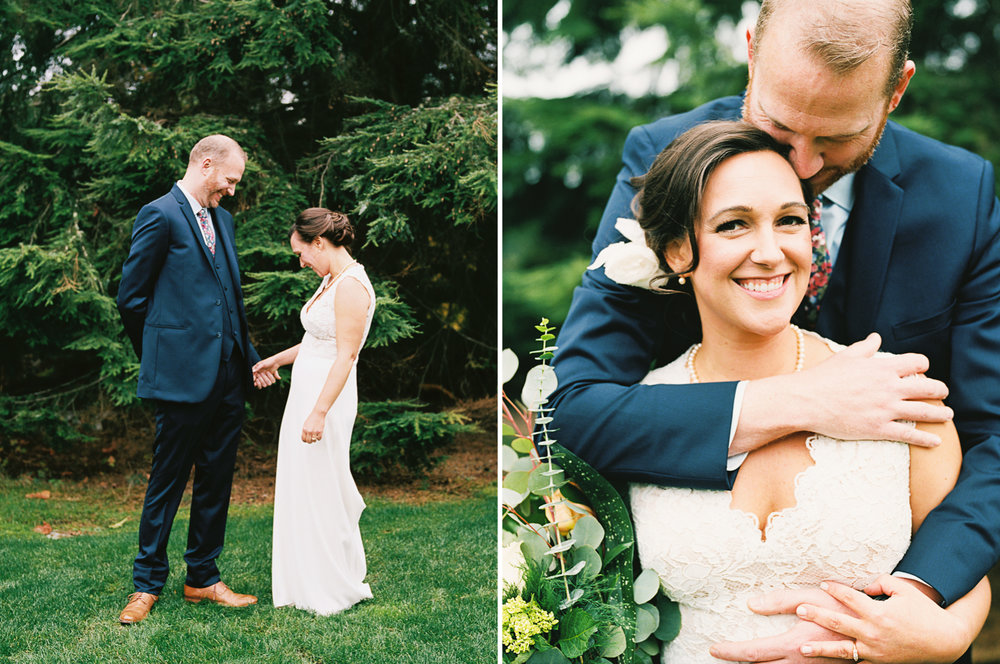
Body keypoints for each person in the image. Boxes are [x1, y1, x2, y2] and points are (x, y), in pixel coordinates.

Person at [548, 0, 1000, 660]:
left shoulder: (961, 195)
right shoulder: (664, 158)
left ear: (897, 89)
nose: (804, 162)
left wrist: (925, 604)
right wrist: (806, 401)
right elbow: (576, 409)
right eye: (780, 125)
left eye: (838, 138)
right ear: (753, 49)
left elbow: (992, 433)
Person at [612, 119, 989, 663]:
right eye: (734, 226)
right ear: (676, 251)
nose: (770, 252)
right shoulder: (634, 415)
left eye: (789, 221)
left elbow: (964, 571)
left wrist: (944, 639)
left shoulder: (900, 395)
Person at [116, 134, 261, 625]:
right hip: (180, 379)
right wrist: (162, 357)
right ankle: (145, 584)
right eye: (230, 180)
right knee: (166, 483)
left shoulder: (224, 220)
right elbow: (131, 299)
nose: (232, 190)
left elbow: (231, 300)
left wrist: (250, 358)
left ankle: (202, 577)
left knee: (216, 482)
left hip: (228, 378)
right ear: (205, 165)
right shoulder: (159, 214)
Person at [251, 207, 376, 615]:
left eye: (301, 252)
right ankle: (302, 580)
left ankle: (329, 583)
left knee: (323, 484)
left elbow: (346, 355)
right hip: (306, 394)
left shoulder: (353, 286)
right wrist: (275, 361)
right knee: (302, 482)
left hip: (328, 399)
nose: (300, 261)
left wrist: (319, 412)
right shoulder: (330, 280)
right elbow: (318, 341)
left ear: (319, 243)